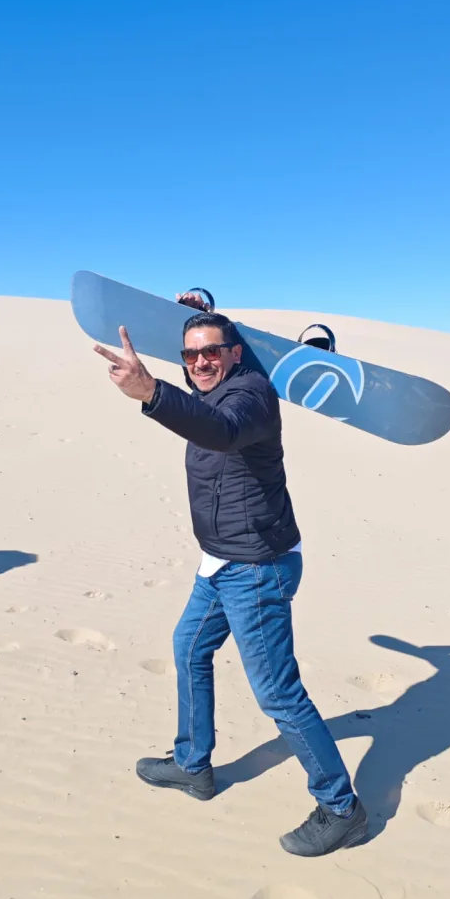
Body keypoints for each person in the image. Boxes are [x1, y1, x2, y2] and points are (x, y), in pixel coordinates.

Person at [94, 305, 368, 857]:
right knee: (189, 647)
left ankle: (343, 808)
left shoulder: (252, 398)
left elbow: (221, 433)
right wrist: (195, 310)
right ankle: (194, 765)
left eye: (211, 351)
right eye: (191, 354)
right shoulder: (207, 391)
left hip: (258, 567)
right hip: (219, 560)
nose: (200, 362)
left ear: (235, 353)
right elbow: (203, 412)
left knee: (277, 693)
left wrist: (151, 392)